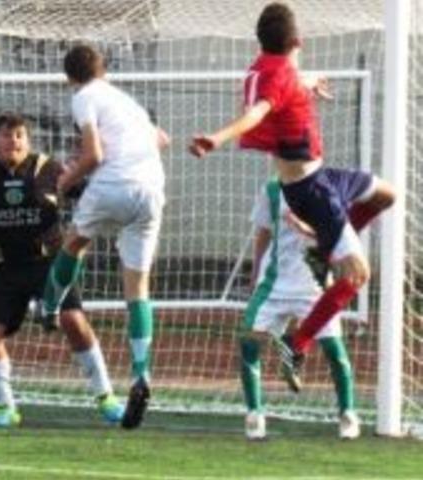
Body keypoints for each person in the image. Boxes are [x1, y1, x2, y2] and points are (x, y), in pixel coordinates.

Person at [188, 2, 394, 391]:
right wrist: (216, 138)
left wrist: (310, 82)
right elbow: (257, 113)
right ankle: (297, 344)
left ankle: (320, 249)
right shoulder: (278, 78)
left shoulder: (270, 67)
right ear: (298, 40)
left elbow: (287, 83)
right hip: (312, 191)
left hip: (321, 178)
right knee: (358, 275)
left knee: (386, 195)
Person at [0, 112, 124, 428]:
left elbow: (90, 194)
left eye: (19, 135)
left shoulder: (49, 169)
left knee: (73, 320)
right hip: (4, 269)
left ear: (28, 141)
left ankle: (107, 397)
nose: (13, 141)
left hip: (48, 265)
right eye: (6, 135)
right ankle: (5, 407)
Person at [41, 45, 170, 430]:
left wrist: (66, 180)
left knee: (75, 242)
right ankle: (142, 373)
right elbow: (161, 138)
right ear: (105, 71)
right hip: (151, 189)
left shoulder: (83, 96)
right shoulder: (125, 101)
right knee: (138, 288)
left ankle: (48, 307)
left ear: (69, 77)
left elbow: (94, 154)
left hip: (114, 183)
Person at [240, 179, 360, 440]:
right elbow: (263, 232)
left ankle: (347, 413)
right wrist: (255, 269)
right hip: (274, 282)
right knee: (249, 343)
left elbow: (338, 236)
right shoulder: (270, 190)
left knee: (334, 350)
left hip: (313, 283)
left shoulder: (327, 191)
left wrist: (304, 227)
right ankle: (254, 413)